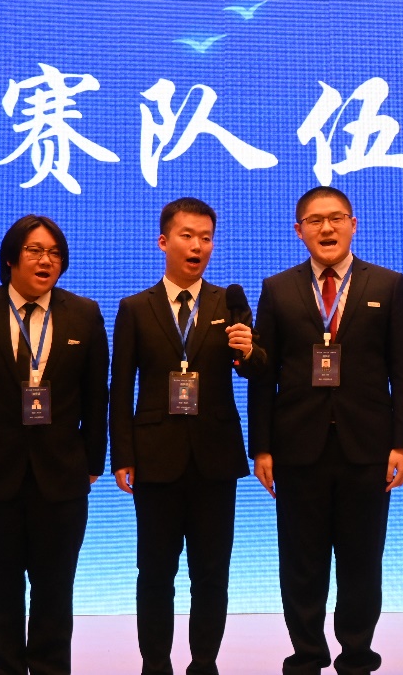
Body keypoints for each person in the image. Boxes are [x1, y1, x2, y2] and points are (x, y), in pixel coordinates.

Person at [248, 186, 403, 675]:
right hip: (296, 448)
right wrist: (261, 448)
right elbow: (263, 376)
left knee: (362, 561)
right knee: (300, 563)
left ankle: (357, 655)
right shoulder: (277, 288)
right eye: (315, 220)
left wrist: (402, 443)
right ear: (298, 230)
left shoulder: (387, 284)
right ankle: (307, 655)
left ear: (353, 224)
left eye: (337, 218)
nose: (327, 228)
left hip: (367, 448)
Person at [0, 215, 109, 675]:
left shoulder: (85, 313)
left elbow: (97, 397)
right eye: (35, 250)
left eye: (54, 253)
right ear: (11, 258)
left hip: (62, 477)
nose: (45, 260)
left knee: (55, 594)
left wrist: (93, 461)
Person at [110, 198, 267, 675]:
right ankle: (155, 665)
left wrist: (248, 351)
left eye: (206, 238)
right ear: (164, 242)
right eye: (187, 236)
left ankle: (204, 664)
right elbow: (121, 388)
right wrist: (122, 454)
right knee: (155, 574)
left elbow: (256, 371)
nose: (198, 246)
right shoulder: (135, 308)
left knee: (211, 575)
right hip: (154, 457)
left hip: (215, 459)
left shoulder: (229, 302)